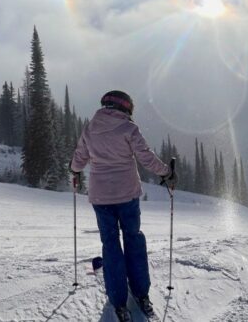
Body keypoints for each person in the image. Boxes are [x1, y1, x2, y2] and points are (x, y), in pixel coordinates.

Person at [71, 90, 172, 322]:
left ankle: (118, 300)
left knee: (110, 244)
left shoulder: (90, 128)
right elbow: (146, 158)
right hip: (127, 195)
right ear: (126, 107)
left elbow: (79, 157)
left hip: (100, 198)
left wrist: (75, 171)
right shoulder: (129, 128)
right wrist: (167, 171)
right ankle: (141, 293)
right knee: (133, 238)